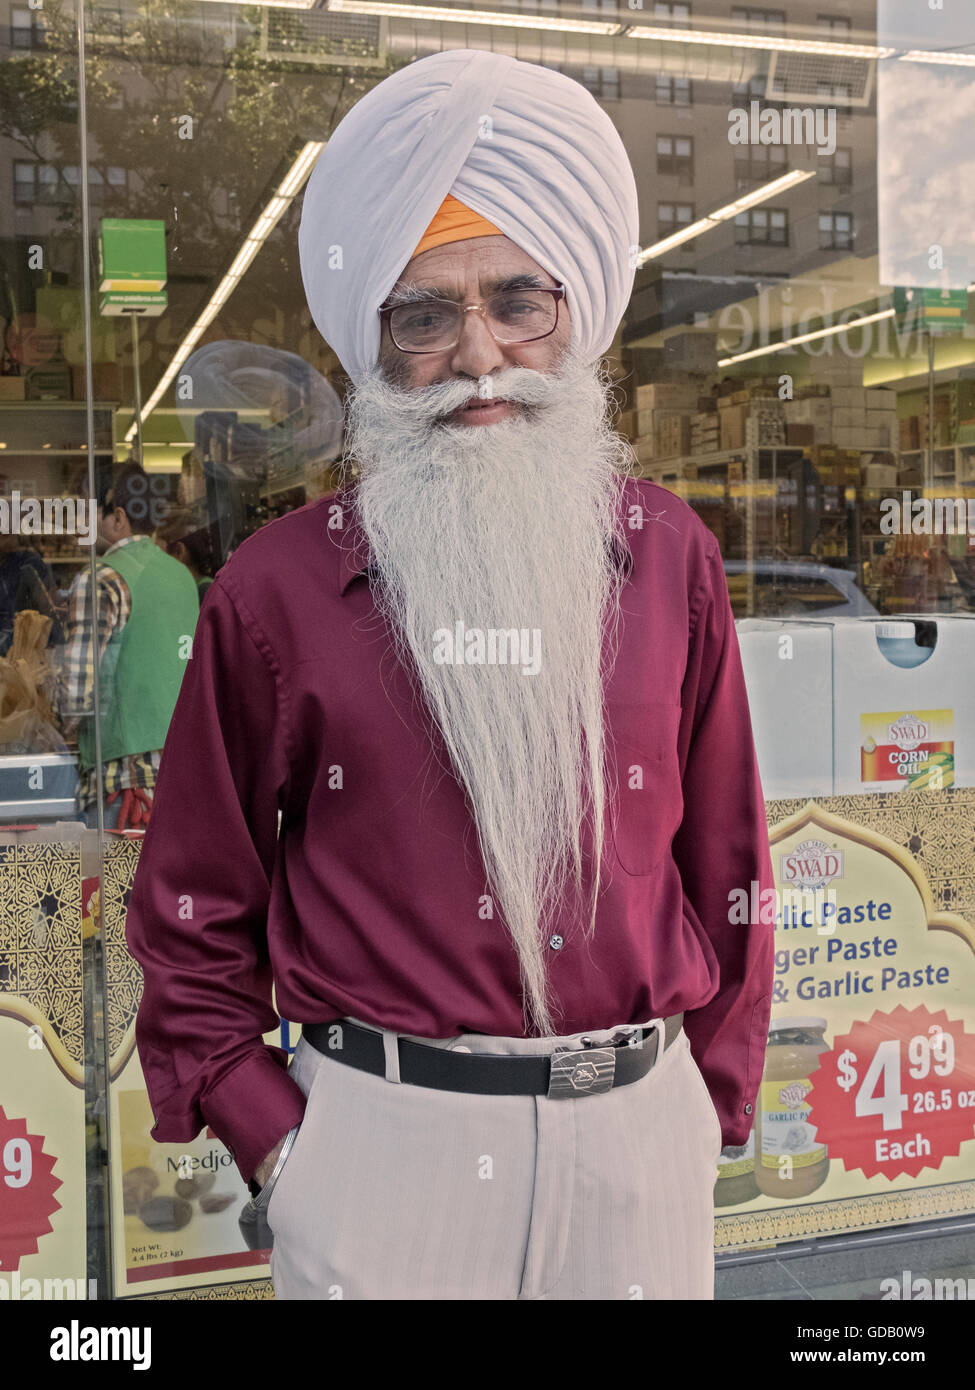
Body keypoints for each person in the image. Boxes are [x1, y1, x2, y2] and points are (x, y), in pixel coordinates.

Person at [125, 49, 774, 1300]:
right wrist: (287, 1146)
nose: (477, 354)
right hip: (382, 1159)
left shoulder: (669, 556)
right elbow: (193, 906)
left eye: (516, 300)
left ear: (572, 316)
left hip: (640, 1142)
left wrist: (710, 1106)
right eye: (424, 314)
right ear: (377, 344)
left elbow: (729, 864)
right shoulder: (277, 591)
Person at [58, 463, 200, 831]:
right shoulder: (182, 576)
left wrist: (53, 724)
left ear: (117, 518)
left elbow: (75, 700)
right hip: (183, 776)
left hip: (122, 786)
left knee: (116, 889)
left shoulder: (100, 577)